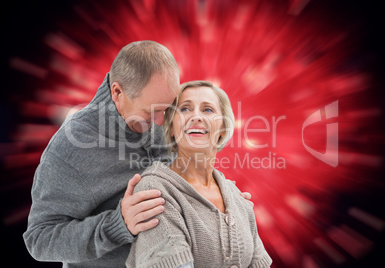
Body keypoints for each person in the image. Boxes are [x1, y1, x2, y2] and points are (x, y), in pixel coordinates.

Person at [23, 41, 252, 267]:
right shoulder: (71, 149)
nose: (163, 123)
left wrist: (217, 201)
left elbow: (180, 182)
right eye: (152, 112)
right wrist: (117, 225)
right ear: (117, 92)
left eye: (169, 108)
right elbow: (39, 240)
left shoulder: (159, 109)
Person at [126, 81, 272, 268]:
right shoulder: (154, 190)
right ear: (171, 128)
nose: (196, 116)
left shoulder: (237, 197)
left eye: (208, 110)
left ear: (223, 129)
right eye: (185, 109)